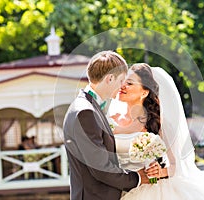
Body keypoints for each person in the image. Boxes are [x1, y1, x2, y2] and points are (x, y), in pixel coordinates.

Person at [110, 63, 204, 200]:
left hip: (150, 190)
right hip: (118, 188)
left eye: (129, 83)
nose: (122, 86)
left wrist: (160, 172)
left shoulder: (159, 123)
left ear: (144, 92)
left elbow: (176, 166)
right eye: (122, 81)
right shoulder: (110, 120)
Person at [62, 51, 149, 200]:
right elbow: (100, 168)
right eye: (121, 80)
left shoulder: (89, 106)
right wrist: (137, 178)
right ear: (109, 78)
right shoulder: (85, 112)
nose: (122, 86)